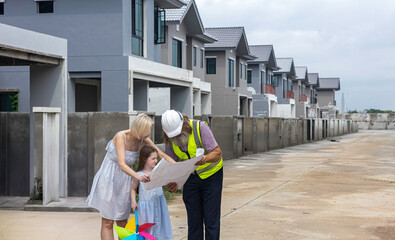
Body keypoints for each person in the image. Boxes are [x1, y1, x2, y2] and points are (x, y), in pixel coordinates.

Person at [87, 114, 174, 240]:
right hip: (109, 178)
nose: (149, 134)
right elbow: (121, 164)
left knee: (122, 222)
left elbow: (162, 155)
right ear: (141, 129)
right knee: (108, 222)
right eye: (148, 130)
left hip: (126, 181)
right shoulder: (121, 136)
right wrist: (138, 177)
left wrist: (179, 168)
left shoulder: (143, 140)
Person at [161, 110, 223, 240]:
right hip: (190, 178)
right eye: (173, 135)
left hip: (211, 176)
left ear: (183, 125)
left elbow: (217, 153)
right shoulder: (170, 140)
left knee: (211, 220)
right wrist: (171, 182)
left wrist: (205, 158)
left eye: (178, 133)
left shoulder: (200, 128)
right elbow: (171, 165)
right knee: (194, 220)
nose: (176, 137)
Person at [131, 145, 173, 240]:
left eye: (156, 158)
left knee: (161, 230)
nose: (156, 161)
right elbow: (133, 189)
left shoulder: (158, 172)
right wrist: (133, 201)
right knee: (147, 232)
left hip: (159, 204)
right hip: (146, 209)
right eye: (153, 158)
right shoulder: (139, 175)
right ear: (145, 159)